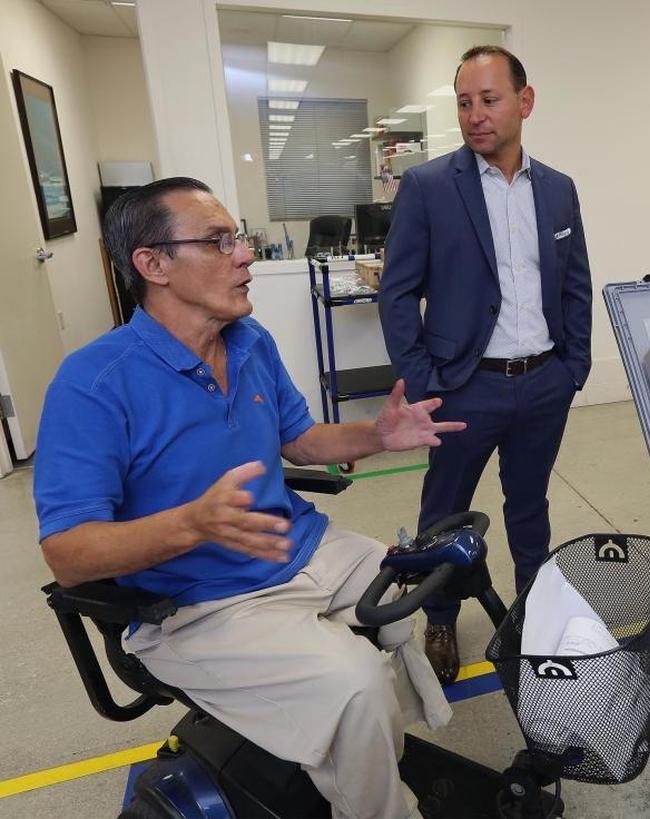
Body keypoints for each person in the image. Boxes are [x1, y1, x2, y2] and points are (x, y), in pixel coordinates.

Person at [33, 177, 466, 819]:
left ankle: (364, 749)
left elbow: (303, 439)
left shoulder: (249, 341)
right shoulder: (94, 383)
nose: (244, 256)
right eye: (218, 241)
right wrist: (191, 524)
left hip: (299, 548)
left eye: (237, 238)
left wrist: (377, 434)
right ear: (153, 265)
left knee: (413, 579)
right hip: (197, 606)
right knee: (355, 684)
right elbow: (67, 555)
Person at [380, 45, 592, 684]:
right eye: (465, 103)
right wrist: (422, 382)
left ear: (524, 103)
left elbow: (575, 282)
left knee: (530, 506)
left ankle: (532, 615)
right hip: (464, 387)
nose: (476, 116)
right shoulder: (427, 187)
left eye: (489, 100)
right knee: (444, 513)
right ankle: (440, 615)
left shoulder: (557, 191)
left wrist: (573, 366)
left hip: (544, 382)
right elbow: (397, 292)